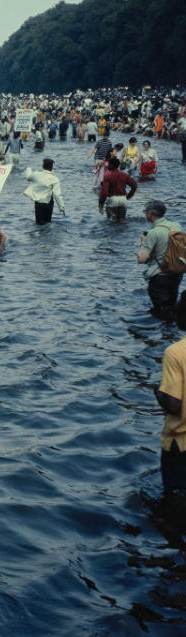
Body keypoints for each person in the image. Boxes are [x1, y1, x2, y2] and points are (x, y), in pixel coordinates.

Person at [155, 297, 186, 491]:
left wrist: (158, 393)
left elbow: (174, 406)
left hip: (180, 445)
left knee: (173, 508)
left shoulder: (175, 352)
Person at [138, 200, 183, 321]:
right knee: (171, 307)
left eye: (145, 212)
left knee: (161, 312)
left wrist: (143, 242)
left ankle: (162, 336)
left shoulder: (153, 233)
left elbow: (142, 259)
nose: (145, 214)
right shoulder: (176, 226)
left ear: (150, 214)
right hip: (177, 273)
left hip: (160, 277)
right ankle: (171, 334)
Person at [23, 158, 66, 225]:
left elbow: (28, 177)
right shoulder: (54, 179)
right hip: (48, 204)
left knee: (38, 223)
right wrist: (61, 207)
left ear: (43, 166)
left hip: (38, 204)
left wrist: (28, 169)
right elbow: (57, 194)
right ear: (51, 167)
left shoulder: (36, 175)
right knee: (47, 223)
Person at [99, 157, 138, 222]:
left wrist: (101, 205)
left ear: (110, 165)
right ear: (118, 165)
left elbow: (104, 192)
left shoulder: (107, 176)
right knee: (122, 221)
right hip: (123, 200)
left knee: (111, 222)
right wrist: (128, 197)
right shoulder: (124, 175)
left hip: (113, 200)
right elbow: (134, 186)